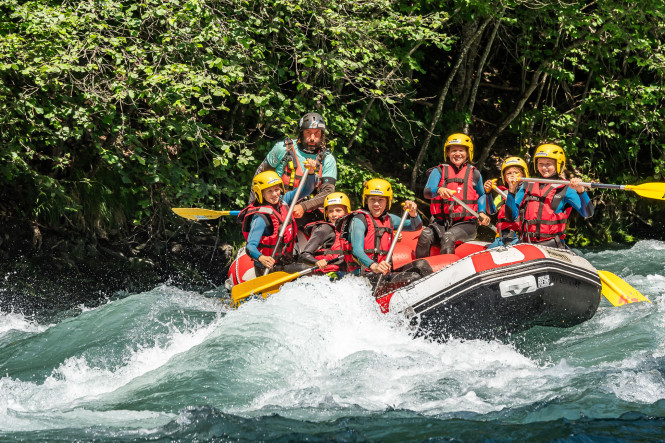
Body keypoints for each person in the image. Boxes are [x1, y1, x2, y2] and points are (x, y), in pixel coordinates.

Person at [250, 112, 337, 228]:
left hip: (309, 210)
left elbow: (328, 192)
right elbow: (259, 178)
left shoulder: (328, 159)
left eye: (317, 133)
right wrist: (253, 207)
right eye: (308, 133)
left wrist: (304, 207)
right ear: (301, 133)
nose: (312, 138)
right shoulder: (282, 149)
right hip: (279, 205)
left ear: (322, 135)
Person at [340, 179, 431, 288]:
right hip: (364, 276)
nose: (376, 204)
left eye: (381, 200)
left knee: (422, 266)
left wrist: (413, 214)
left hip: (381, 274)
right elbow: (357, 250)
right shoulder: (359, 220)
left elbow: (415, 226)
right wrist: (374, 266)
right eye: (372, 199)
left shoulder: (390, 219)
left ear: (387, 202)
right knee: (413, 277)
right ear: (366, 200)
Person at [415, 133, 490, 258]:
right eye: (453, 150)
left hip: (466, 224)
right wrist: (439, 190)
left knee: (448, 237)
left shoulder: (475, 173)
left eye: (461, 150)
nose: (457, 154)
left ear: (467, 153)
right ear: (448, 153)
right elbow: (427, 192)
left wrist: (481, 212)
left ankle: (447, 273)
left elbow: (481, 195)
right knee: (425, 235)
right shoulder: (438, 171)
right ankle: (420, 269)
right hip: (441, 222)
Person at [505, 143, 594, 248]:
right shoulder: (527, 185)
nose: (544, 167)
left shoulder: (566, 188)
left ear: (558, 164)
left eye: (548, 164)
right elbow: (511, 216)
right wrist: (511, 189)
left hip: (551, 245)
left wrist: (581, 191)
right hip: (526, 243)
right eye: (540, 163)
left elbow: (588, 213)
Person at [239, 160, 317, 274]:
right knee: (309, 272)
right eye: (270, 191)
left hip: (285, 262)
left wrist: (310, 172)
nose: (275, 194)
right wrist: (261, 258)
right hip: (268, 268)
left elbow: (307, 189)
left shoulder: (284, 201)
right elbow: (250, 246)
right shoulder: (260, 218)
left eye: (276, 189)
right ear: (261, 193)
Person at [298, 192, 351, 274]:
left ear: (346, 211)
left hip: (344, 273)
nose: (334, 214)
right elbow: (305, 255)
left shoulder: (349, 230)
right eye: (330, 211)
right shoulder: (324, 229)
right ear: (326, 213)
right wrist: (316, 262)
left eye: (338, 210)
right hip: (325, 275)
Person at [483, 156, 529, 248]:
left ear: (523, 175)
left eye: (516, 172)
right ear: (504, 177)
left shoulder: (527, 191)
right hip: (501, 237)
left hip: (518, 237)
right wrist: (488, 193)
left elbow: (513, 214)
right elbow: (491, 211)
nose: (512, 175)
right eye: (508, 173)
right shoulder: (503, 193)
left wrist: (513, 189)